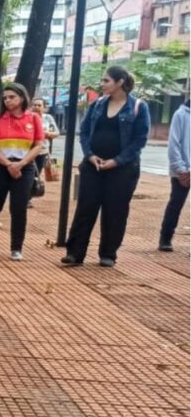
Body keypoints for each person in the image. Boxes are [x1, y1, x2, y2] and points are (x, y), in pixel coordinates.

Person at [63, 66, 151, 268]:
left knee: (115, 210)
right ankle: (75, 253)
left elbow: (139, 140)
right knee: (86, 208)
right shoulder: (97, 105)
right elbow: (84, 133)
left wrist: (117, 161)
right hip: (94, 166)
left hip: (122, 169)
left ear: (120, 82)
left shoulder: (138, 107)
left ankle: (108, 254)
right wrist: (90, 155)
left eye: (106, 81)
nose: (102, 84)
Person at [0, 83, 44, 261]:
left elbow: (38, 145)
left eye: (12, 97)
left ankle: (16, 247)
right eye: (5, 97)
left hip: (25, 166)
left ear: (22, 97)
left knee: (19, 207)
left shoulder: (33, 118)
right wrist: (8, 165)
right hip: (0, 166)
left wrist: (21, 164)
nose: (8, 101)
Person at [160, 99, 190, 252]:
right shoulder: (181, 115)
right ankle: (165, 238)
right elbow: (174, 144)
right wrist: (181, 169)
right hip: (183, 170)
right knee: (176, 204)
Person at [28, 97, 60, 208]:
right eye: (34, 105)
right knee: (30, 173)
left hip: (42, 151)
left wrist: (46, 133)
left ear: (44, 108)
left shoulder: (48, 118)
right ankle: (26, 197)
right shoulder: (28, 118)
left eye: (39, 105)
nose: (36, 107)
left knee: (37, 174)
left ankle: (30, 196)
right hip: (29, 151)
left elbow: (56, 132)